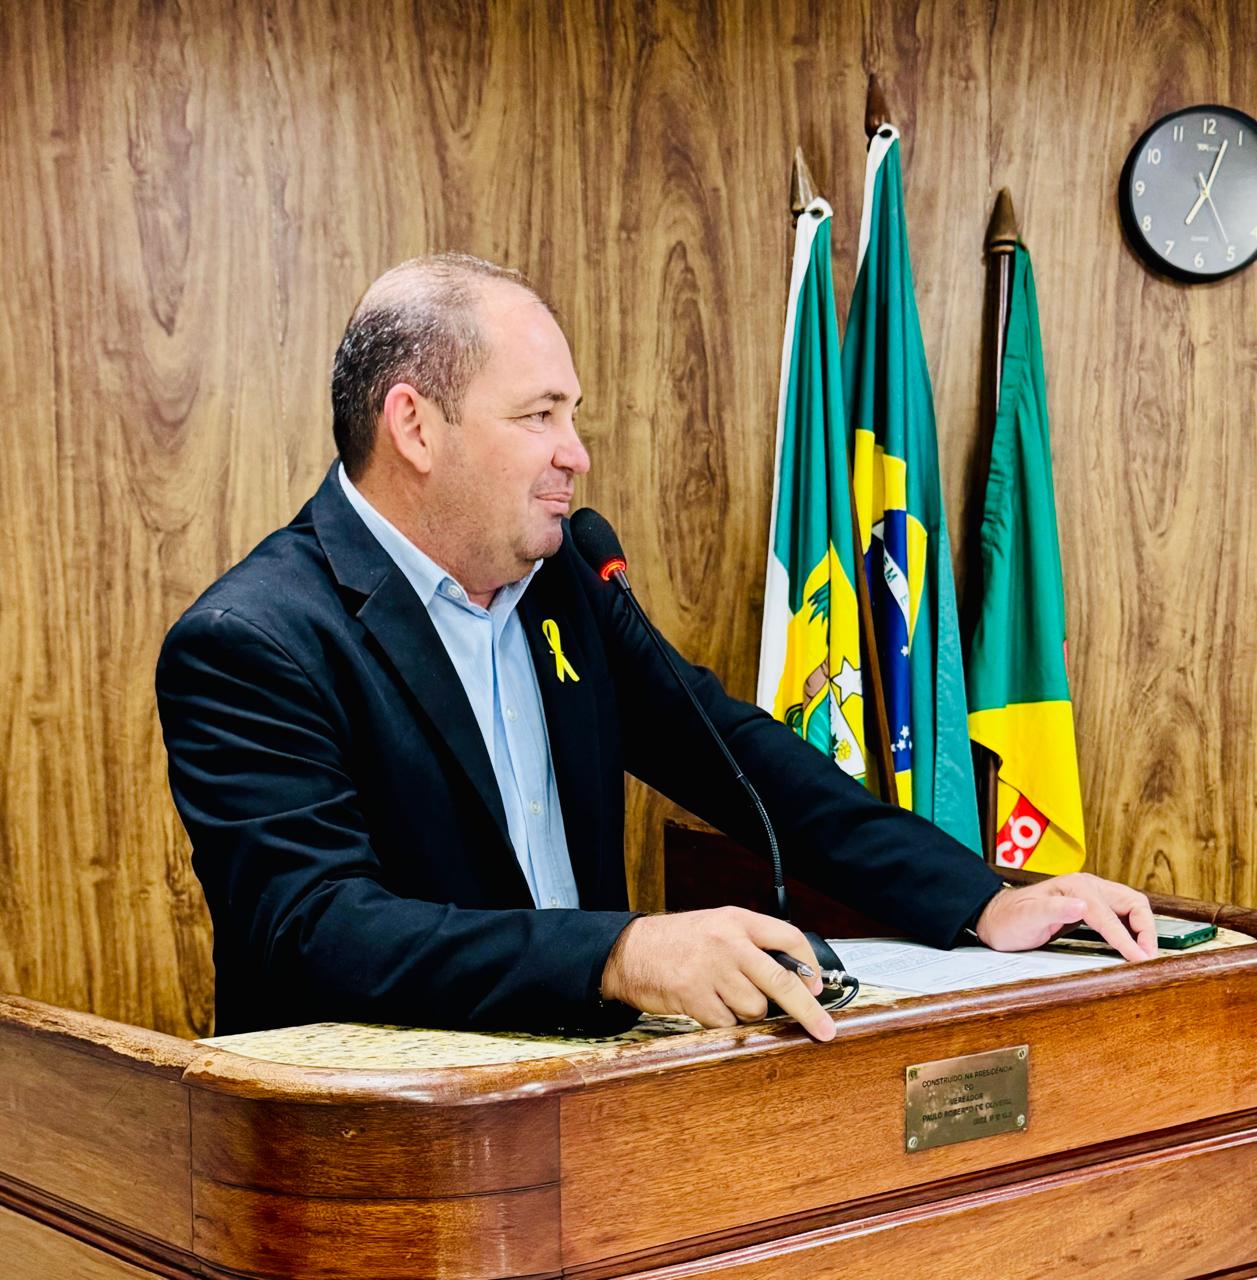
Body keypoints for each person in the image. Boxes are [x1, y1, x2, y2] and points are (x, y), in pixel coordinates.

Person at [156, 253, 1156, 1042]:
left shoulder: (565, 587)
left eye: (573, 413)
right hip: (384, 1164)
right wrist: (618, 953)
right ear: (414, 425)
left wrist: (982, 897)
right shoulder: (252, 641)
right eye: (540, 414)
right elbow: (316, 931)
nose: (575, 452)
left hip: (593, 1111)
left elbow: (738, 754)